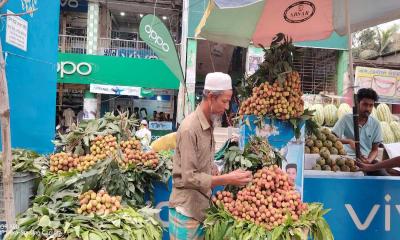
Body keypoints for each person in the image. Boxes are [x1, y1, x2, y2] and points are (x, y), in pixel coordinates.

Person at [169, 72, 253, 240]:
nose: (227, 107)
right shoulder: (189, 129)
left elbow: (201, 164)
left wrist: (214, 169)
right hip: (187, 211)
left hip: (202, 208)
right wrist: (227, 179)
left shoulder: (209, 124)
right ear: (210, 97)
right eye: (225, 101)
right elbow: (188, 177)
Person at [332, 88, 387, 176]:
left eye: (371, 105)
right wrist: (349, 141)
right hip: (346, 159)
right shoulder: (346, 118)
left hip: (365, 161)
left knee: (383, 176)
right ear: (358, 103)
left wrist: (369, 160)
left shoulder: (375, 124)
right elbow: (332, 138)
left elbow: (375, 150)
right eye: (365, 104)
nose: (368, 108)